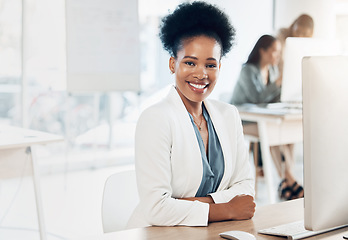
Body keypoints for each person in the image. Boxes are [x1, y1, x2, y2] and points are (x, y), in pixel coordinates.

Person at [127, 1, 255, 229]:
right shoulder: (155, 119)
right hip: (159, 233)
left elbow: (246, 190)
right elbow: (156, 209)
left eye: (210, 65)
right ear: (172, 64)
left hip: (212, 231)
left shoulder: (229, 115)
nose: (201, 74)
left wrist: (186, 204)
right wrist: (226, 209)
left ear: (219, 67)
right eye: (190, 62)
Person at [231, 34, 304, 201]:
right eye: (274, 52)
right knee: (273, 132)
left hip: (262, 119)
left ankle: (287, 180)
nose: (277, 56)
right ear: (262, 51)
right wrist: (277, 83)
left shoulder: (272, 70)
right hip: (245, 120)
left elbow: (274, 99)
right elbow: (258, 98)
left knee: (286, 133)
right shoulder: (247, 70)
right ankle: (289, 181)